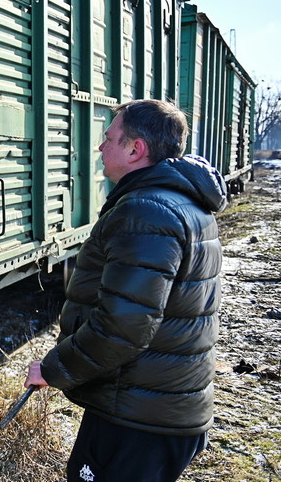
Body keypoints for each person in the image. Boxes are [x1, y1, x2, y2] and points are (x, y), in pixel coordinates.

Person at [24, 99, 227, 482]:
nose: (100, 147)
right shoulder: (188, 204)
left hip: (138, 415)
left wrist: (55, 368)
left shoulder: (146, 212)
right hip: (164, 405)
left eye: (109, 138)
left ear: (136, 150)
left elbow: (124, 325)